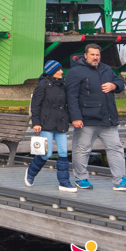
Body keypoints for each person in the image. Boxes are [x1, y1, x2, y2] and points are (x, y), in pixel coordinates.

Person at [66, 44, 126, 190]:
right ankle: (81, 178)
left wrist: (114, 86)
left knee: (116, 148)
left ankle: (120, 180)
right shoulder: (75, 72)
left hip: (108, 118)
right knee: (82, 149)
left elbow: (119, 83)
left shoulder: (106, 69)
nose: (95, 57)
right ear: (85, 55)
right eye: (92, 55)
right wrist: (75, 117)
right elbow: (71, 97)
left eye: (97, 55)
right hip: (87, 119)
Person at [25, 59, 76, 192]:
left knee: (64, 152)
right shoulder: (43, 85)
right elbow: (35, 105)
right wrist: (35, 122)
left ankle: (64, 183)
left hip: (61, 124)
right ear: (52, 71)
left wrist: (72, 119)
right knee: (46, 154)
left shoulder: (62, 85)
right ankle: (31, 172)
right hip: (46, 124)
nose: (61, 71)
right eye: (58, 70)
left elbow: (65, 105)